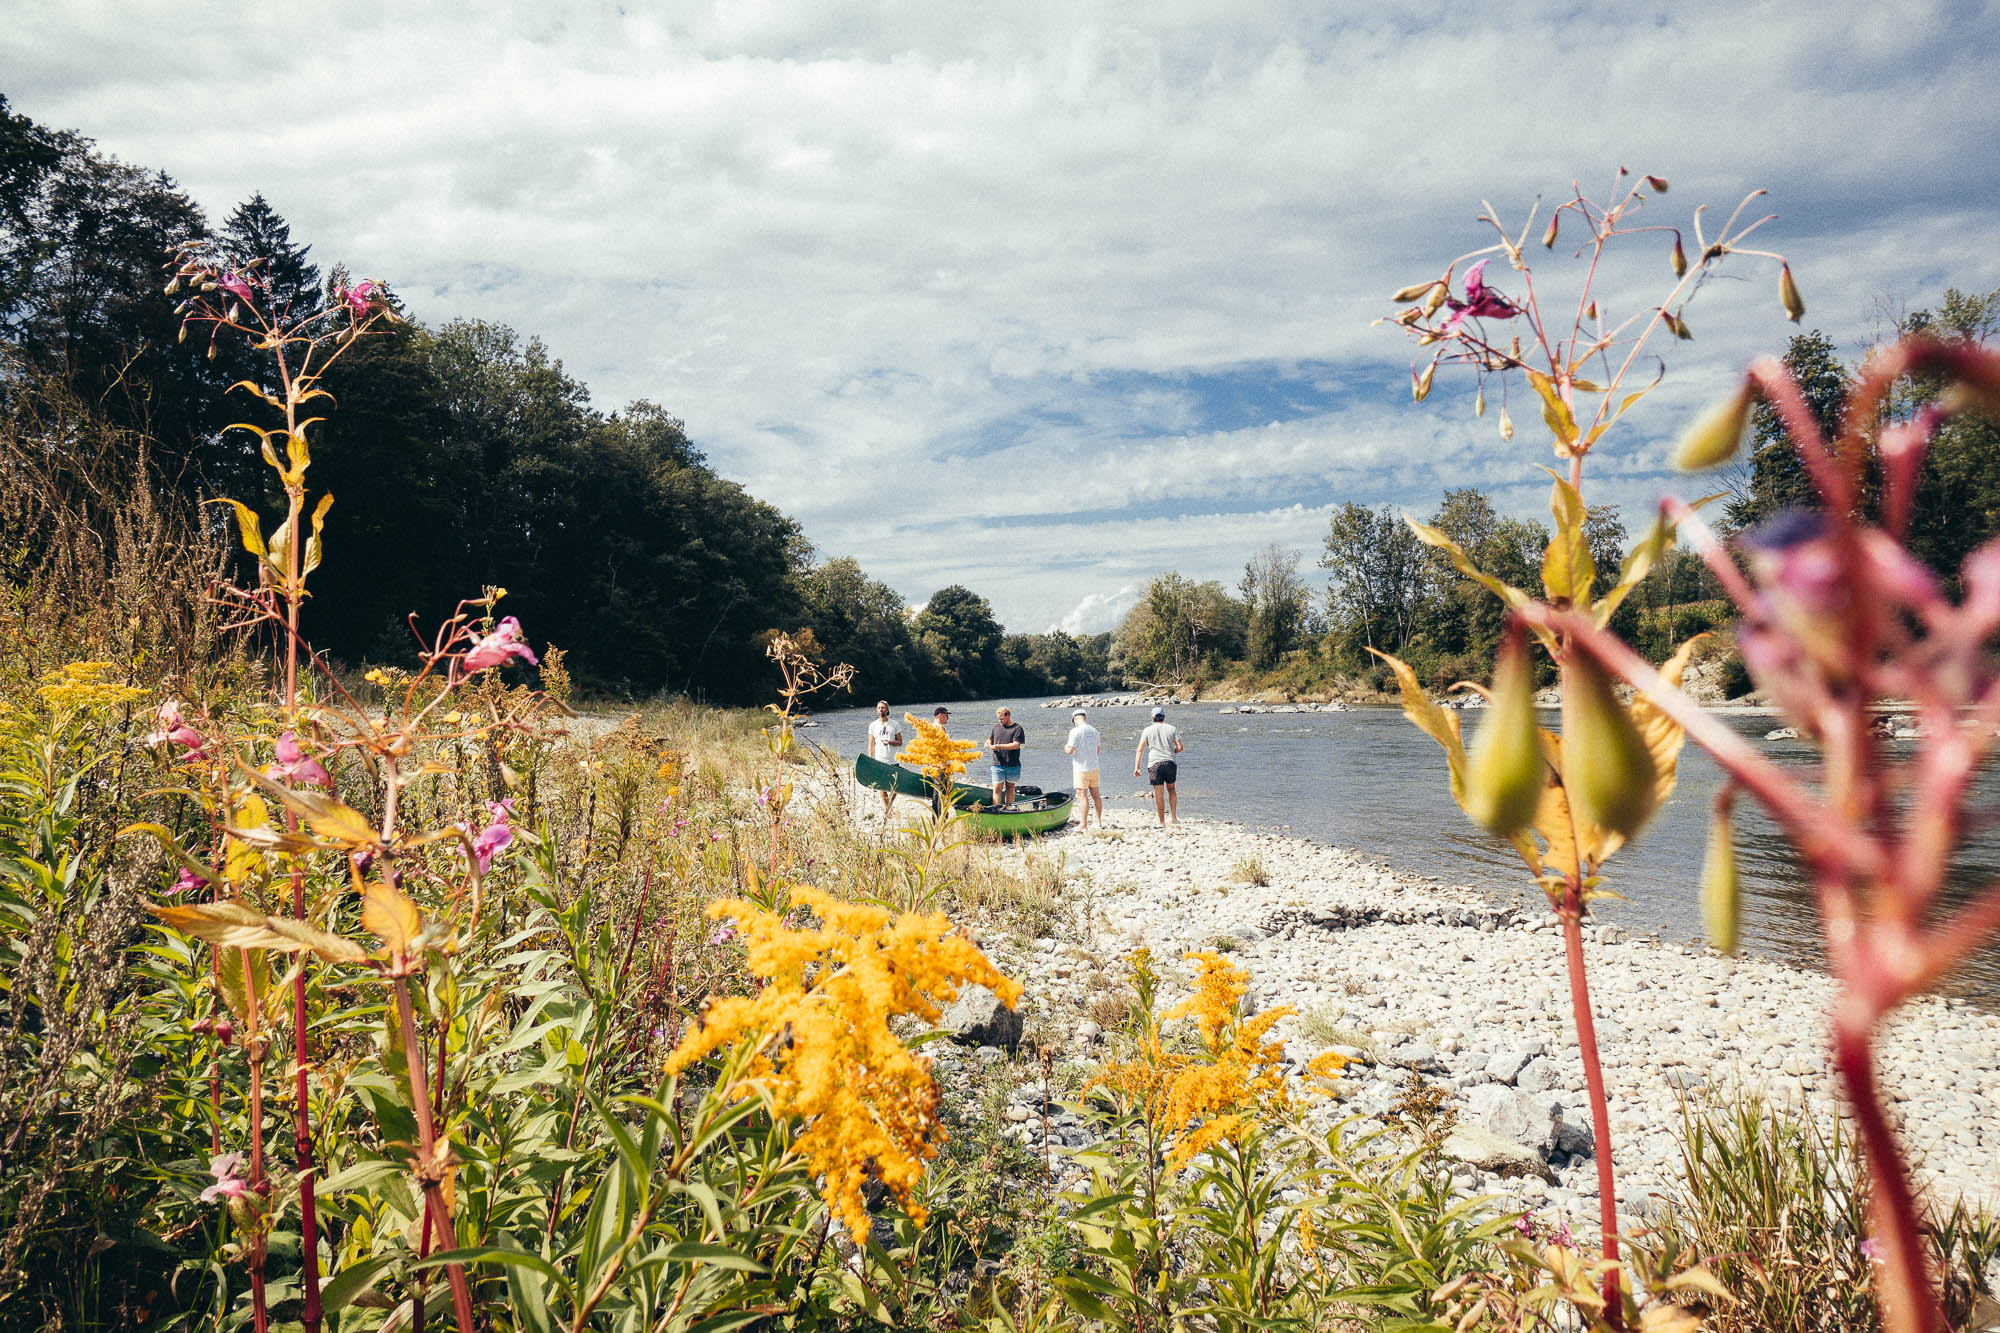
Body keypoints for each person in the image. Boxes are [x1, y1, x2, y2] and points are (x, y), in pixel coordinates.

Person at [1133, 706, 1184, 826]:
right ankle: (1174, 818)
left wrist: (1137, 767)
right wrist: (1173, 752)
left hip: (1155, 764)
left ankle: (1162, 822)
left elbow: (1140, 750)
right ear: (1164, 716)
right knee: (1171, 790)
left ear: (1152, 718)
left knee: (1159, 794)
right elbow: (1180, 747)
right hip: (1170, 762)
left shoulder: (1147, 730)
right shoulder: (1172, 728)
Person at [1064, 708, 1104, 829]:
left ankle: (1083, 824)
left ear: (1075, 719)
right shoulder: (1095, 730)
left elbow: (1070, 750)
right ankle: (1098, 823)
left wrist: (1065, 747)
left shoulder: (1075, 731)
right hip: (1094, 767)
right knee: (1096, 795)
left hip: (1081, 768)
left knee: (1082, 796)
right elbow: (1098, 750)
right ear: (1084, 717)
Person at [865, 700, 904, 816]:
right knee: (882, 786)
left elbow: (900, 742)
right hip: (880, 760)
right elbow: (871, 744)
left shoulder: (895, 724)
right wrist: (870, 759)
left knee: (896, 785)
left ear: (887, 710)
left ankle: (890, 804)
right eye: (879, 708)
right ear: (877, 710)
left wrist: (890, 742)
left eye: (883, 708)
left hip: (893, 760)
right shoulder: (873, 725)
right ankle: (887, 809)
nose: (881, 710)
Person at [988, 706, 1025, 807]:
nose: (1000, 720)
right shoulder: (995, 727)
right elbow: (990, 739)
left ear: (1008, 715)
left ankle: (1009, 808)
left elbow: (1016, 745)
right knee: (996, 788)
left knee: (1010, 788)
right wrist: (987, 743)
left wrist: (998, 746)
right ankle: (996, 809)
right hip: (997, 764)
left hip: (1013, 764)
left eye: (1001, 718)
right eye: (998, 718)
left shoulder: (1017, 728)